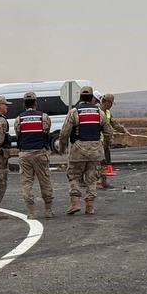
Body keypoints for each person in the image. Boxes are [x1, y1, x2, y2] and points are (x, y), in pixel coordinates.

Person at [58, 86, 105, 215]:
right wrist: (105, 145)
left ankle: (75, 203)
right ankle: (89, 206)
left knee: (74, 176)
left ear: (80, 97)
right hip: (95, 150)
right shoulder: (99, 113)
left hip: (77, 150)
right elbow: (108, 131)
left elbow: (64, 133)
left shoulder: (74, 112)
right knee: (92, 179)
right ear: (91, 97)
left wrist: (62, 148)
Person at [15, 91, 54, 218]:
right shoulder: (43, 117)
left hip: (25, 154)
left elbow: (18, 134)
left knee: (27, 183)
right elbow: (46, 132)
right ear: (35, 102)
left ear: (24, 104)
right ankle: (48, 211)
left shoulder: (19, 119)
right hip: (40, 153)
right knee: (45, 181)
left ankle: (31, 212)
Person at [98, 93, 130, 189]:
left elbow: (114, 123)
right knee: (97, 162)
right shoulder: (97, 111)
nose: (111, 106)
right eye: (110, 103)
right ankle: (94, 182)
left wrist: (124, 130)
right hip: (97, 141)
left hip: (105, 142)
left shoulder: (107, 113)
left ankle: (103, 182)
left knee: (104, 162)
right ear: (104, 102)